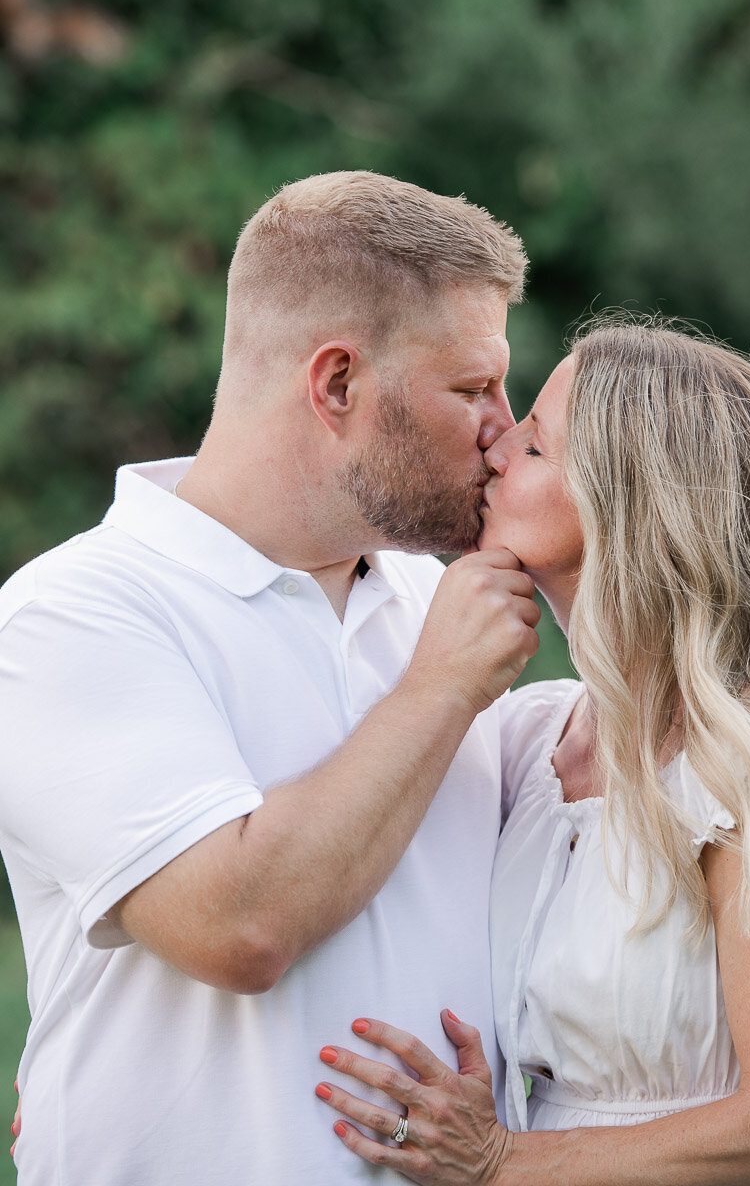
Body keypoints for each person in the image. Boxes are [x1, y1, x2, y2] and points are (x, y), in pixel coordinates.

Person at [0, 171, 542, 1184]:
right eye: (474, 387)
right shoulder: (71, 615)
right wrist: (439, 688)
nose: (503, 430)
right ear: (336, 384)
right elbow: (237, 924)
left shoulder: (441, 610)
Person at [316, 320, 750, 1186]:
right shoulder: (527, 739)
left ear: (623, 498)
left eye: (533, 443)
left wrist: (500, 1162)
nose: (495, 448)